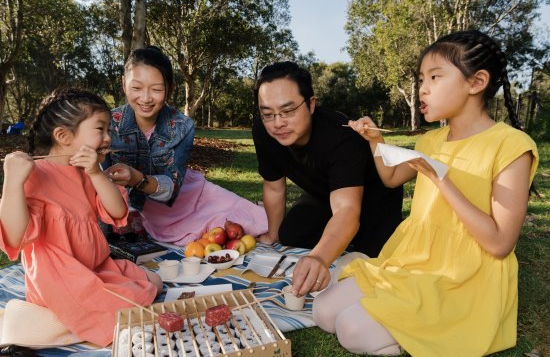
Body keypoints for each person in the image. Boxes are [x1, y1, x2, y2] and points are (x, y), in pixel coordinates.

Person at [312, 30, 539, 356]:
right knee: (323, 310)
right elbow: (390, 178)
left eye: (435, 77)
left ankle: (419, 333)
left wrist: (444, 181)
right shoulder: (430, 141)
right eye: (421, 79)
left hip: (465, 273)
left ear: (476, 83)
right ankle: (400, 325)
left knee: (351, 330)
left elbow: (500, 244)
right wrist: (376, 141)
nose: (424, 88)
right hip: (415, 259)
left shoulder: (512, 147)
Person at [0, 87, 162, 347]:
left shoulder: (90, 172)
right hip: (58, 277)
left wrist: (97, 174)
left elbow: (118, 212)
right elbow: (15, 235)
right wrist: (12, 183)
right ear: (63, 135)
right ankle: (45, 325)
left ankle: (64, 324)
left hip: (94, 266)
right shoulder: (36, 173)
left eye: (109, 130)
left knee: (153, 281)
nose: (108, 138)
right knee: (121, 309)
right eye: (100, 129)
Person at [252, 61, 403, 297]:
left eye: (288, 111)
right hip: (325, 194)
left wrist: (319, 258)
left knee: (375, 258)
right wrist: (273, 235)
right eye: (268, 114)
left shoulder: (340, 137)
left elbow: (346, 210)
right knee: (290, 235)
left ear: (311, 104)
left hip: (375, 198)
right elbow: (273, 186)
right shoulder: (264, 131)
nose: (278, 123)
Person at [102, 46, 267, 245]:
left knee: (260, 220)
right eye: (136, 88)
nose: (145, 98)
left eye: (156, 89)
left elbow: (171, 188)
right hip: (137, 207)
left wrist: (136, 178)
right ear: (123, 84)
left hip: (187, 194)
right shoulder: (106, 123)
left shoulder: (182, 126)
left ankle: (254, 207)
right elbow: (97, 181)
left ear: (170, 89)